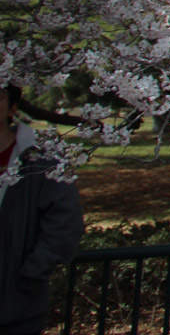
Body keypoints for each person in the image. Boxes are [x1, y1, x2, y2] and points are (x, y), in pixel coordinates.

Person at [1, 83, 84, 335]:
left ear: (12, 107)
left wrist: (31, 273)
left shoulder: (41, 160)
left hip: (14, 307)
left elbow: (65, 224)